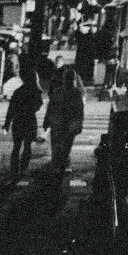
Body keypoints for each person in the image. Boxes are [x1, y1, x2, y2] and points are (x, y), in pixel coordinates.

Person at [44, 57, 86, 185]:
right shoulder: (76, 93)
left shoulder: (60, 92)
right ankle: (60, 166)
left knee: (58, 145)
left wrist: (47, 121)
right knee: (65, 146)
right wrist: (79, 124)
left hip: (59, 123)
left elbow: (50, 107)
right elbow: (80, 111)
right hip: (67, 125)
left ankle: (57, 166)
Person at [3, 52, 44, 179]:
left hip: (18, 120)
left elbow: (11, 109)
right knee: (27, 146)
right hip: (30, 120)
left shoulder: (18, 92)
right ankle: (23, 168)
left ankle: (14, 169)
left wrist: (7, 124)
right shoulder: (36, 92)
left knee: (16, 146)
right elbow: (39, 105)